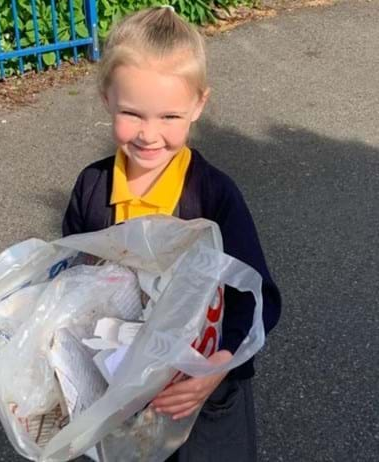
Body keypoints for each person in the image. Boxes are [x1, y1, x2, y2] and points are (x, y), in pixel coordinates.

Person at [62, 6, 281, 461]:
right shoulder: (92, 188)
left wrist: (220, 365)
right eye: (132, 113)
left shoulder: (213, 195)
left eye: (169, 117)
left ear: (199, 105)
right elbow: (70, 282)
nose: (149, 135)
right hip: (121, 394)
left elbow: (258, 295)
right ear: (106, 97)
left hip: (200, 399)